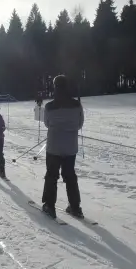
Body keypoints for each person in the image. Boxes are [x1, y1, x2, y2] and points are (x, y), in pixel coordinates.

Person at [41, 75, 83, 218]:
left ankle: (49, 205)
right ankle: (75, 207)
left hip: (53, 147)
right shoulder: (77, 105)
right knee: (70, 176)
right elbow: (80, 124)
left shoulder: (49, 106)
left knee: (52, 175)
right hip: (70, 147)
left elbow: (47, 123)